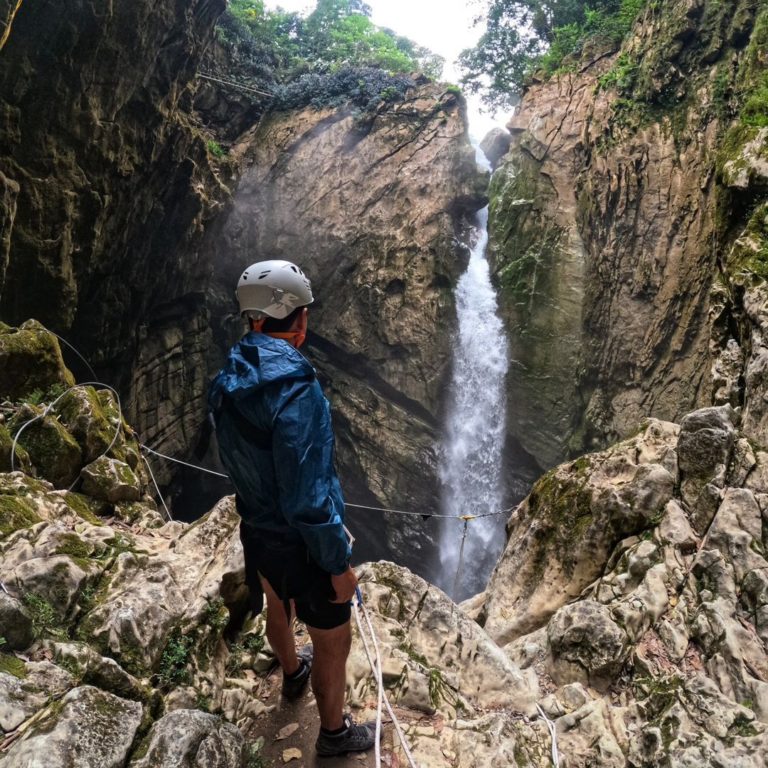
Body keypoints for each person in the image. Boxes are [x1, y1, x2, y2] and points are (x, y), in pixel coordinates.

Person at [208, 259, 376, 757]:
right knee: (332, 638)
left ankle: (291, 674)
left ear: (253, 319)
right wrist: (338, 566)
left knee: (276, 605)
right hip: (301, 543)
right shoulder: (297, 391)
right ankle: (334, 735)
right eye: (304, 311)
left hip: (257, 528)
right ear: (298, 320)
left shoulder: (227, 379)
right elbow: (308, 500)